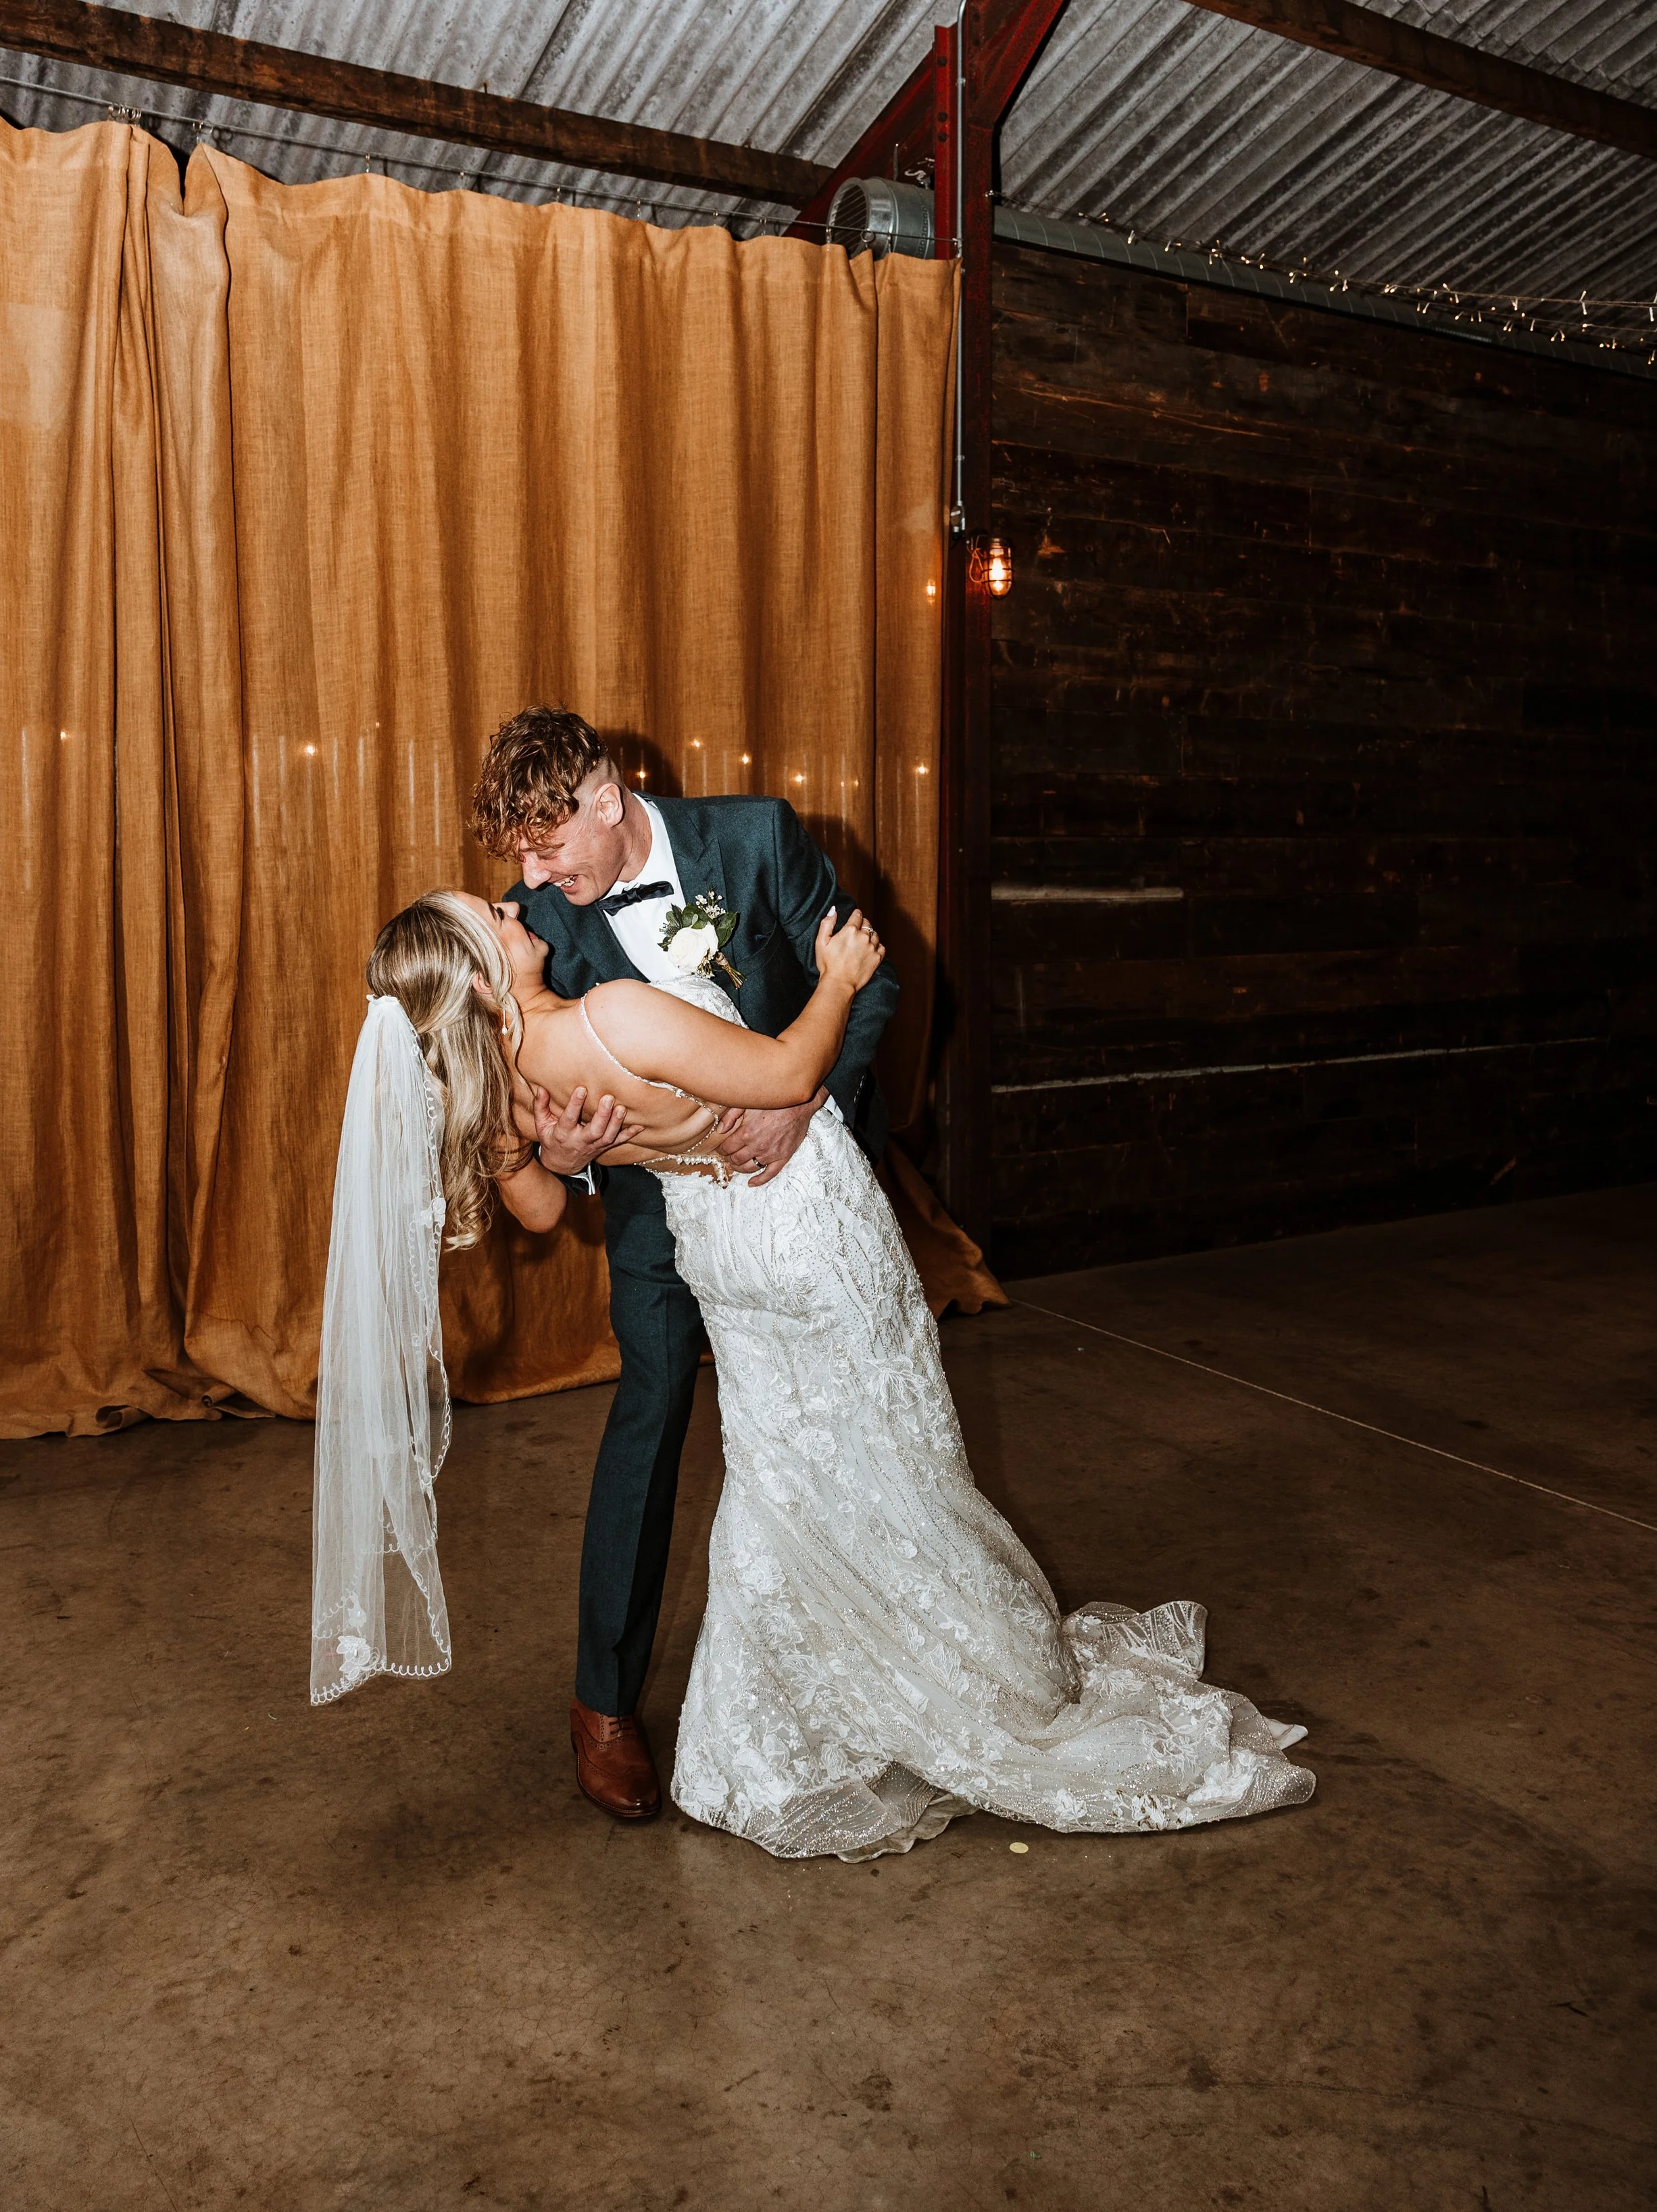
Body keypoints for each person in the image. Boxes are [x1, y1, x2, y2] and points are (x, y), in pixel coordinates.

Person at [312, 868, 1315, 1861]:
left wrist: (576, 1155)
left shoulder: (504, 1084)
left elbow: (536, 1207)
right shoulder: (610, 1011)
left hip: (723, 1264)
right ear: (483, 976)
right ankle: (980, 1691)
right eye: (495, 916)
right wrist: (837, 977)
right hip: (802, 1234)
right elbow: (791, 1077)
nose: (518, 905)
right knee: (902, 1461)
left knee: (787, 1477)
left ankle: (801, 1720)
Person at [471, 709, 904, 1823]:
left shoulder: (757, 838)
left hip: (795, 1186)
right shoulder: (538, 927)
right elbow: (537, 1117)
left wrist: (805, 1099)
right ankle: (602, 1705)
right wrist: (565, 1163)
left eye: (547, 842)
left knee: (839, 1410)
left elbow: (874, 983)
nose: (530, 876)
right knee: (654, 1404)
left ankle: (877, 1654)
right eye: (514, 853)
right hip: (660, 1209)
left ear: (607, 798)